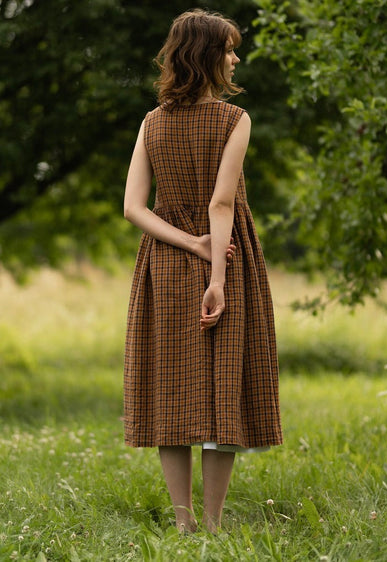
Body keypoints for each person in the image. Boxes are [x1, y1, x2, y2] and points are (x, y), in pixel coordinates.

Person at [123, 9, 282, 534]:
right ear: (208, 55)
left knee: (173, 388)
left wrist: (185, 242)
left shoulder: (151, 121)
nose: (236, 58)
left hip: (164, 267)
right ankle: (212, 526)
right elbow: (221, 204)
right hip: (226, 260)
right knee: (222, 386)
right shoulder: (236, 120)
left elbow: (134, 209)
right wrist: (214, 274)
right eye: (230, 49)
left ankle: (184, 525)